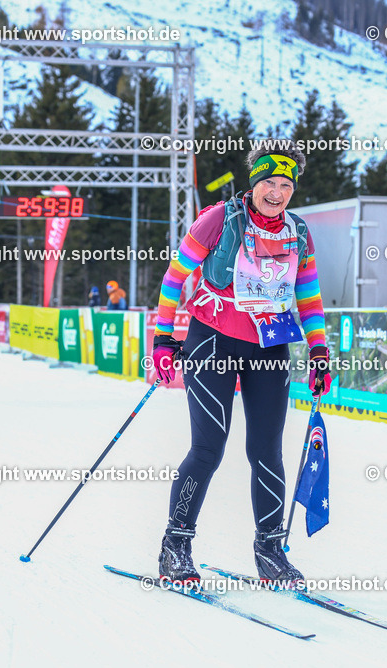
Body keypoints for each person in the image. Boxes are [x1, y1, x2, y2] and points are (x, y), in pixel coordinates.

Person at [150, 140, 331, 585]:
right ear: (254, 183)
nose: (277, 192)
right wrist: (163, 337)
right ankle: (175, 546)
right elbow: (175, 278)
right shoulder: (219, 218)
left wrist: (320, 351)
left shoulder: (298, 232)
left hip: (269, 347)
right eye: (269, 181)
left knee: (266, 451)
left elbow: (307, 296)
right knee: (208, 449)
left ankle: (270, 551)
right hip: (212, 340)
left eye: (286, 184)